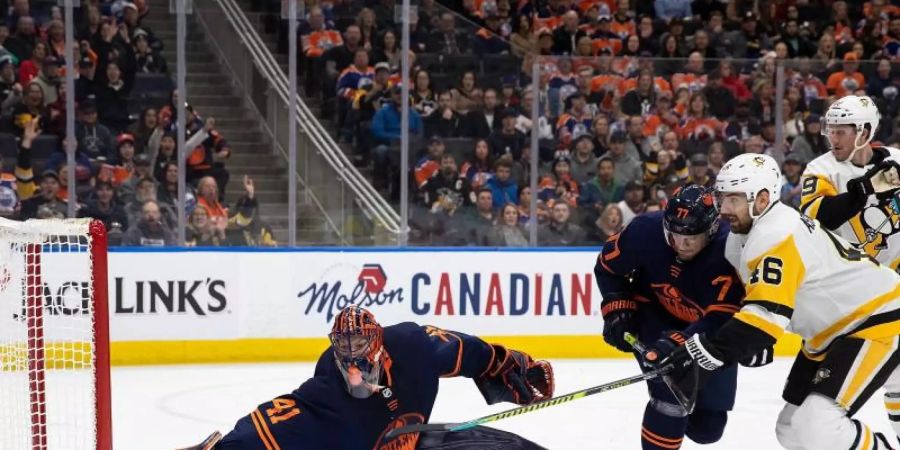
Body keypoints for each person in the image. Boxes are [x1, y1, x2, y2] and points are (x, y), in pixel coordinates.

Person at [663, 153, 900, 450]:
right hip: (832, 334)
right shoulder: (742, 239)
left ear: (762, 200)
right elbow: (758, 309)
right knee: (790, 428)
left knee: (819, 425)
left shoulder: (777, 235)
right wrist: (732, 344)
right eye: (722, 198)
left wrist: (709, 354)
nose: (723, 209)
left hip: (877, 320)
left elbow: (764, 320)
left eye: (733, 200)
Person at [208, 306, 553, 449]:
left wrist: (510, 366)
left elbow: (471, 352)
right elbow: (276, 421)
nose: (350, 352)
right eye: (342, 344)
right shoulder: (328, 382)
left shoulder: (413, 346)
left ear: (377, 339)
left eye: (357, 342)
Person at [595, 184, 768, 450]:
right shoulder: (645, 231)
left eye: (691, 237)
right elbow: (607, 267)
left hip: (709, 330)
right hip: (652, 315)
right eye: (673, 234)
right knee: (670, 393)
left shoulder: (731, 251)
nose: (680, 244)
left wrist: (680, 342)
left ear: (710, 230)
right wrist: (617, 306)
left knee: (708, 429)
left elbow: (722, 317)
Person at [799, 95, 900, 271]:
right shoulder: (820, 169)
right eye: (831, 131)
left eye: (841, 132)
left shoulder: (897, 159)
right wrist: (866, 189)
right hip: (847, 276)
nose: (833, 139)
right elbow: (815, 219)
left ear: (864, 133)